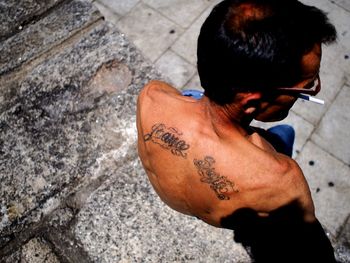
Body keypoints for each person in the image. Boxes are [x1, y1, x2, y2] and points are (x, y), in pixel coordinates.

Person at [136, 0, 337, 261]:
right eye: (307, 86)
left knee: (192, 97)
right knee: (283, 135)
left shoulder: (152, 96)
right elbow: (316, 256)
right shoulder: (283, 182)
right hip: (244, 183)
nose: (314, 91)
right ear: (252, 102)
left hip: (185, 199)